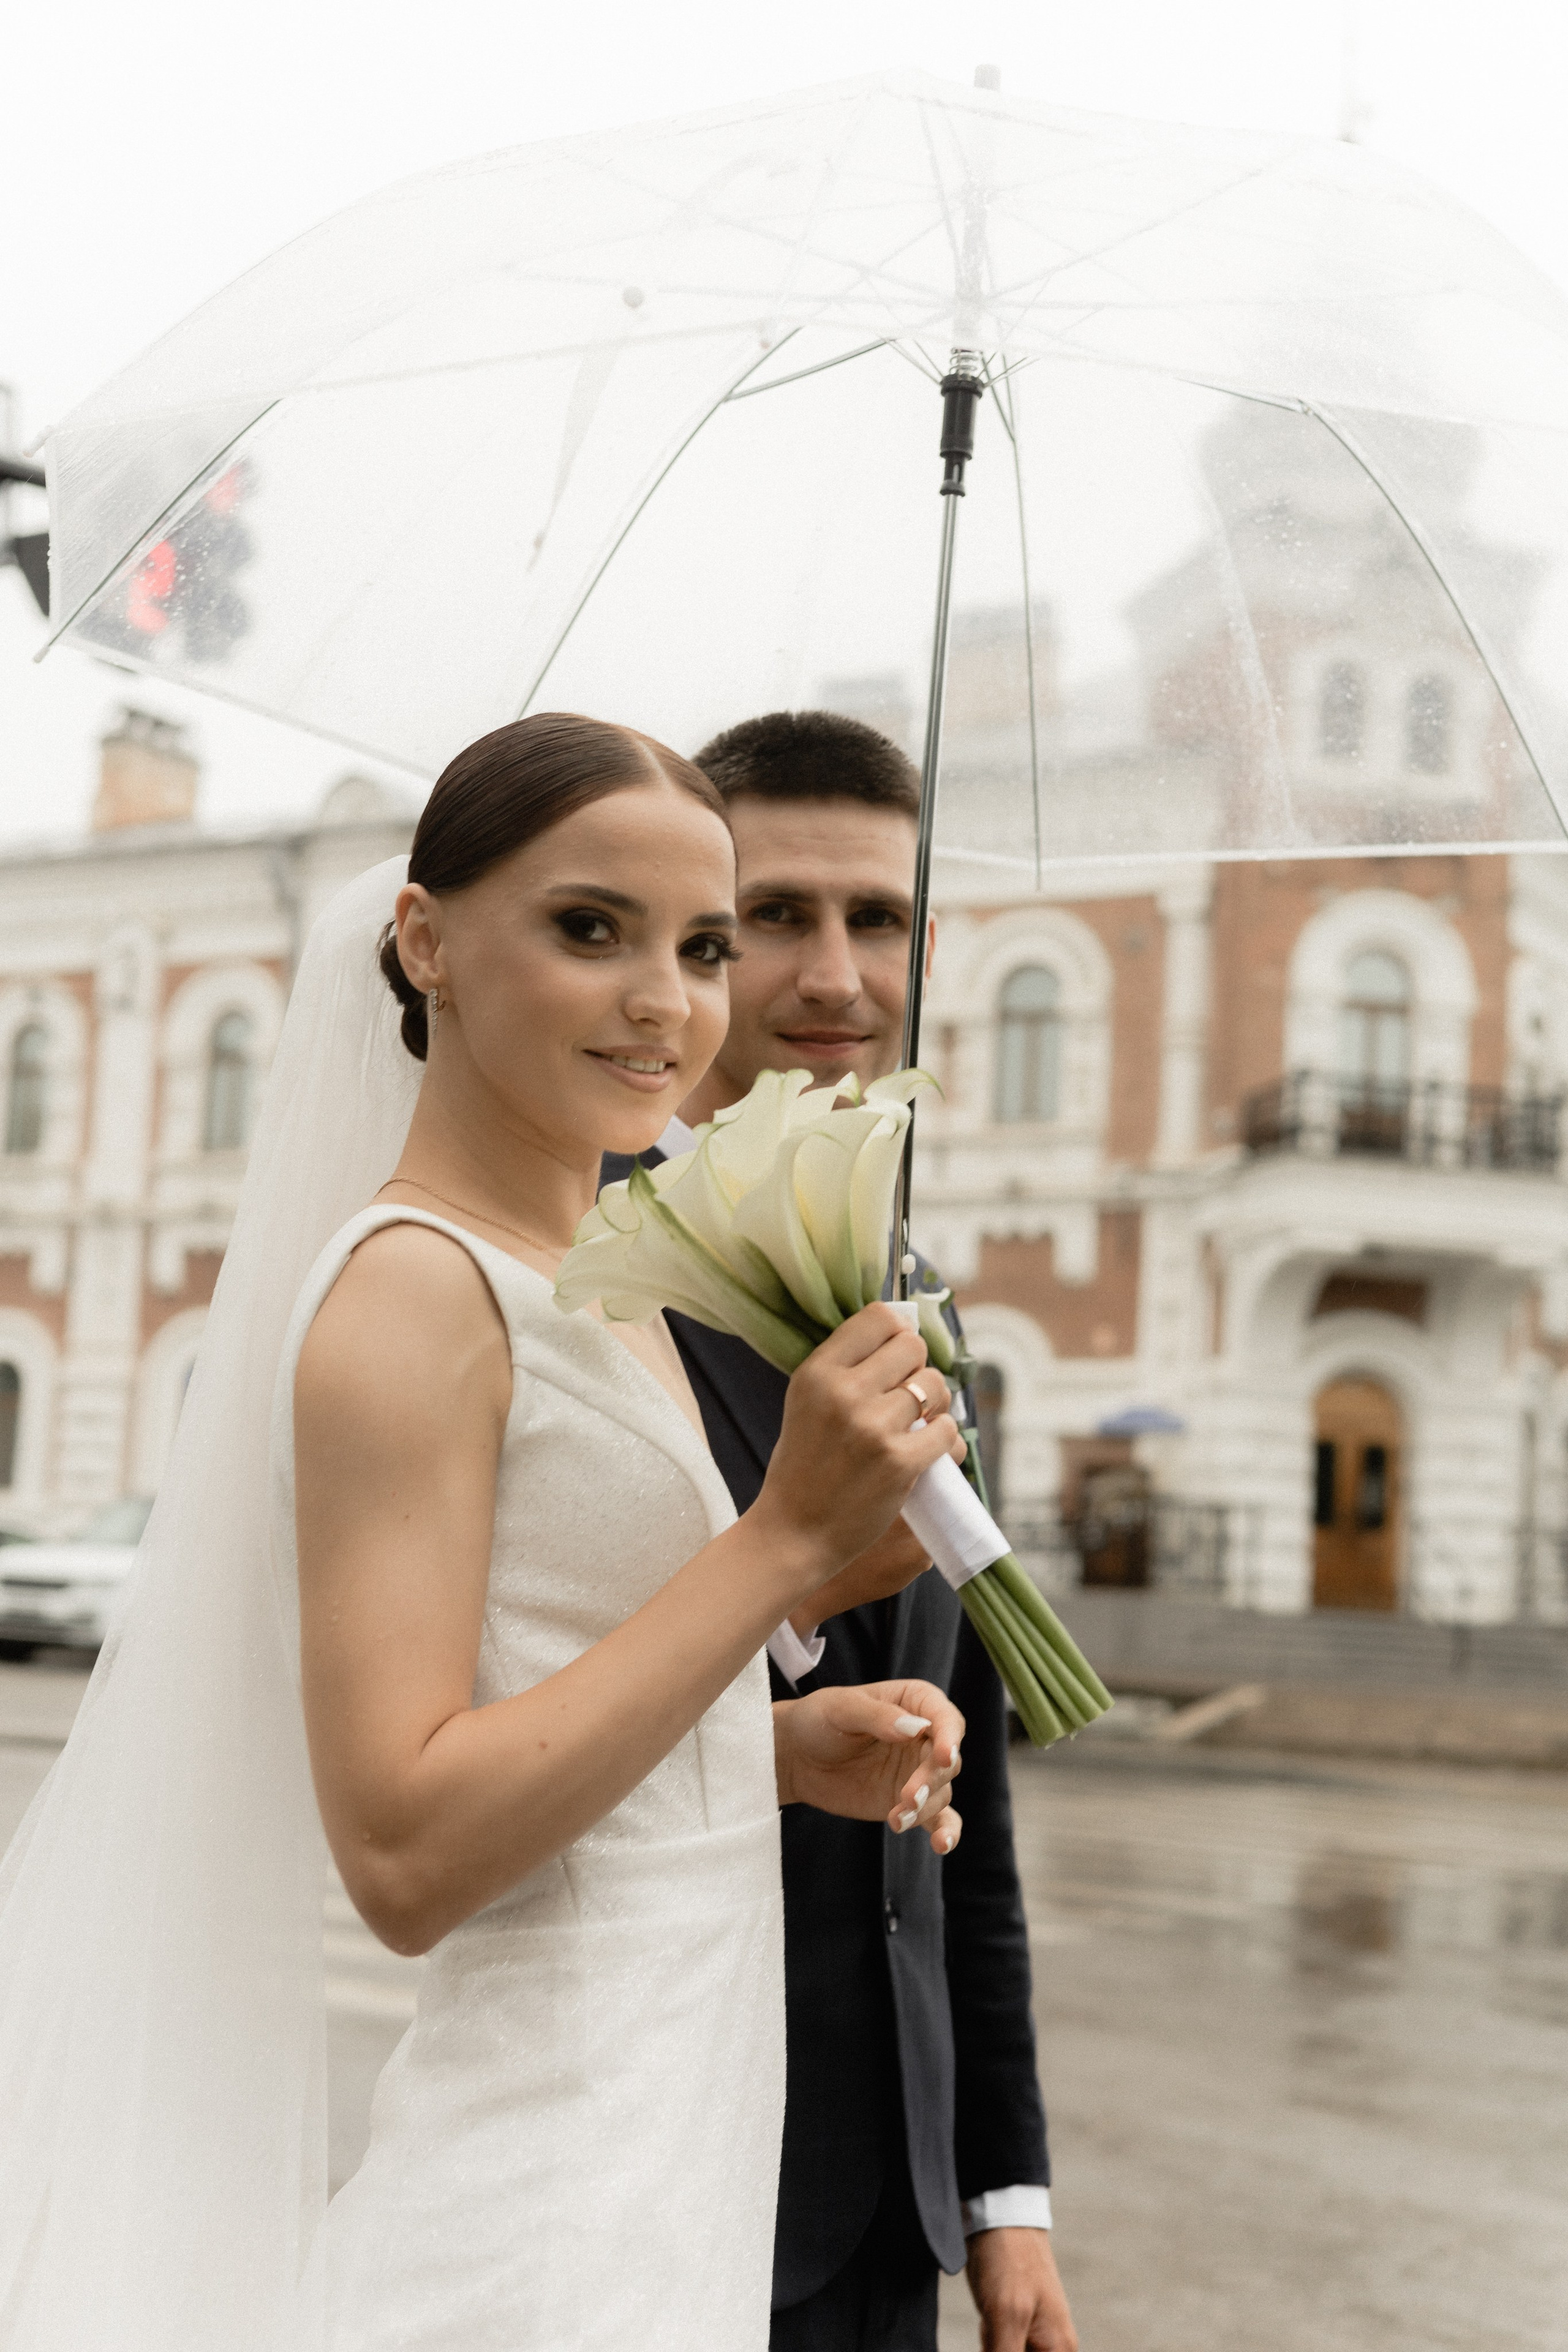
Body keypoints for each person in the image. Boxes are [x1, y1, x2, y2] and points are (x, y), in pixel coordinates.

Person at [0, 712, 970, 2352]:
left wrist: (779, 1745)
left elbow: (554, 1688)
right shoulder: (411, 1294)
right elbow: (406, 1852)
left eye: (701, 944)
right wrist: (779, 1546)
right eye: (591, 930)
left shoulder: (609, 1276)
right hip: (543, 2214)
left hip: (678, 2161)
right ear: (427, 939)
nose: (665, 999)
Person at [606, 710, 1078, 2352]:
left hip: (902, 2208)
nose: (834, 974)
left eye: (877, 918)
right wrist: (803, 1584)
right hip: (664, 2158)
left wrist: (1005, 2197)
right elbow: (524, 1726)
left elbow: (976, 1794)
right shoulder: (589, 1270)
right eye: (777, 918)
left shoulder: (918, 1293)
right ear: (699, 949)